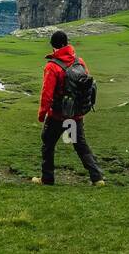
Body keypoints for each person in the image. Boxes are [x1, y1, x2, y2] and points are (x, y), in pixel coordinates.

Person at [33, 30, 105, 186]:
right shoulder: (79, 61)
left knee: (48, 145)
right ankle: (97, 178)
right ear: (67, 43)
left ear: (53, 46)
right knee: (80, 145)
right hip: (75, 115)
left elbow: (47, 94)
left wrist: (42, 114)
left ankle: (47, 178)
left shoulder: (53, 67)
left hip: (57, 116)